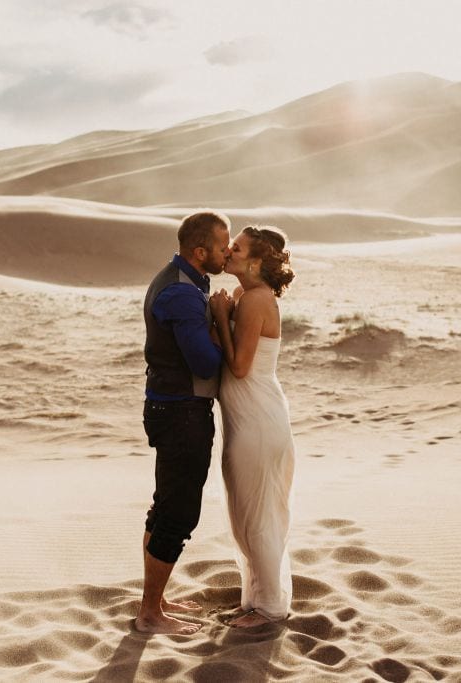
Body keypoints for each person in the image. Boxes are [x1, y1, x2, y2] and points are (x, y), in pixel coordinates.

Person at [136, 211, 231, 635]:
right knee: (178, 514)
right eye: (222, 246)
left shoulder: (186, 282)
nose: (227, 252)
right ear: (200, 251)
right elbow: (206, 363)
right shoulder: (182, 294)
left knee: (164, 508)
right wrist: (224, 328)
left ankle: (155, 600)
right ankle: (150, 614)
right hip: (181, 413)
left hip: (172, 408)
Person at [209, 225, 297, 629]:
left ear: (256, 262)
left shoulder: (255, 300)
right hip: (249, 418)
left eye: (237, 248)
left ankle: (270, 609)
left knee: (257, 512)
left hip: (257, 420)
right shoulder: (246, 295)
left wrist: (221, 317)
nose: (228, 251)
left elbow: (240, 367)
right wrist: (223, 319)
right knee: (245, 510)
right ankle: (257, 600)